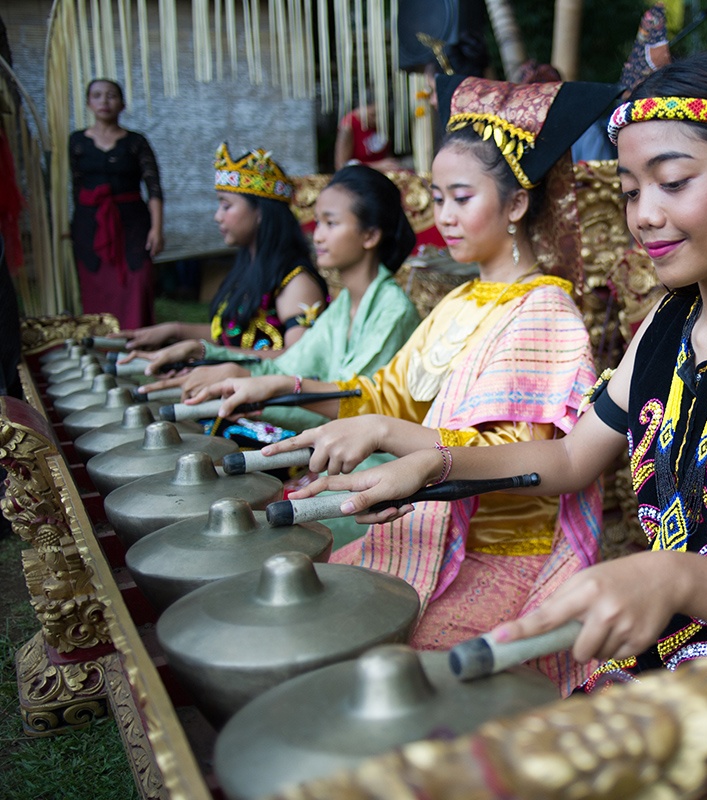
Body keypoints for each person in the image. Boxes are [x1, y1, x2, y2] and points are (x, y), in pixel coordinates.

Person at [283, 52, 707, 798]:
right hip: (671, 654)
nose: (645, 213)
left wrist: (674, 573)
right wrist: (433, 465)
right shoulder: (665, 326)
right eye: (630, 189)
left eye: (674, 182)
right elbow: (575, 457)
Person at [189, 76, 622, 688]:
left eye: (461, 197)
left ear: (518, 203)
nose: (442, 216)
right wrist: (280, 384)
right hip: (429, 522)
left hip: (502, 550)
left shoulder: (544, 313)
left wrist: (387, 430)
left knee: (387, 672)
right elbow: (387, 393)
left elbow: (518, 459)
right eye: (436, 197)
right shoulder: (462, 299)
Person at [140, 165, 421, 438]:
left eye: (331, 223)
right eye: (318, 222)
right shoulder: (345, 304)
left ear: (370, 235)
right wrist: (217, 359)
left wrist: (254, 393)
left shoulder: (393, 312)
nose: (318, 235)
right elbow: (287, 367)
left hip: (371, 463)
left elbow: (347, 405)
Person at [119, 144, 327, 371]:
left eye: (226, 206)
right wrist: (174, 330)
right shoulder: (251, 267)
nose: (217, 216)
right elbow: (232, 333)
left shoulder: (296, 281)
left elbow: (300, 360)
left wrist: (208, 354)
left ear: (260, 214)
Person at [69, 78, 164, 328]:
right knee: (96, 280)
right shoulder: (77, 141)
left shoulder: (136, 142)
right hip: (90, 222)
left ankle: (137, 337)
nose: (104, 101)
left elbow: (154, 188)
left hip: (132, 222)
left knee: (137, 278)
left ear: (122, 104)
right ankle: (102, 338)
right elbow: (74, 187)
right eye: (97, 95)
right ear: (89, 103)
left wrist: (157, 229)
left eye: (111, 95)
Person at [334, 93, 403, 172]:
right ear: (361, 108)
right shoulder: (348, 126)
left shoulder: (382, 124)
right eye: (373, 115)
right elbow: (341, 166)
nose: (377, 120)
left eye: (382, 115)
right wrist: (377, 166)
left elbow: (386, 154)